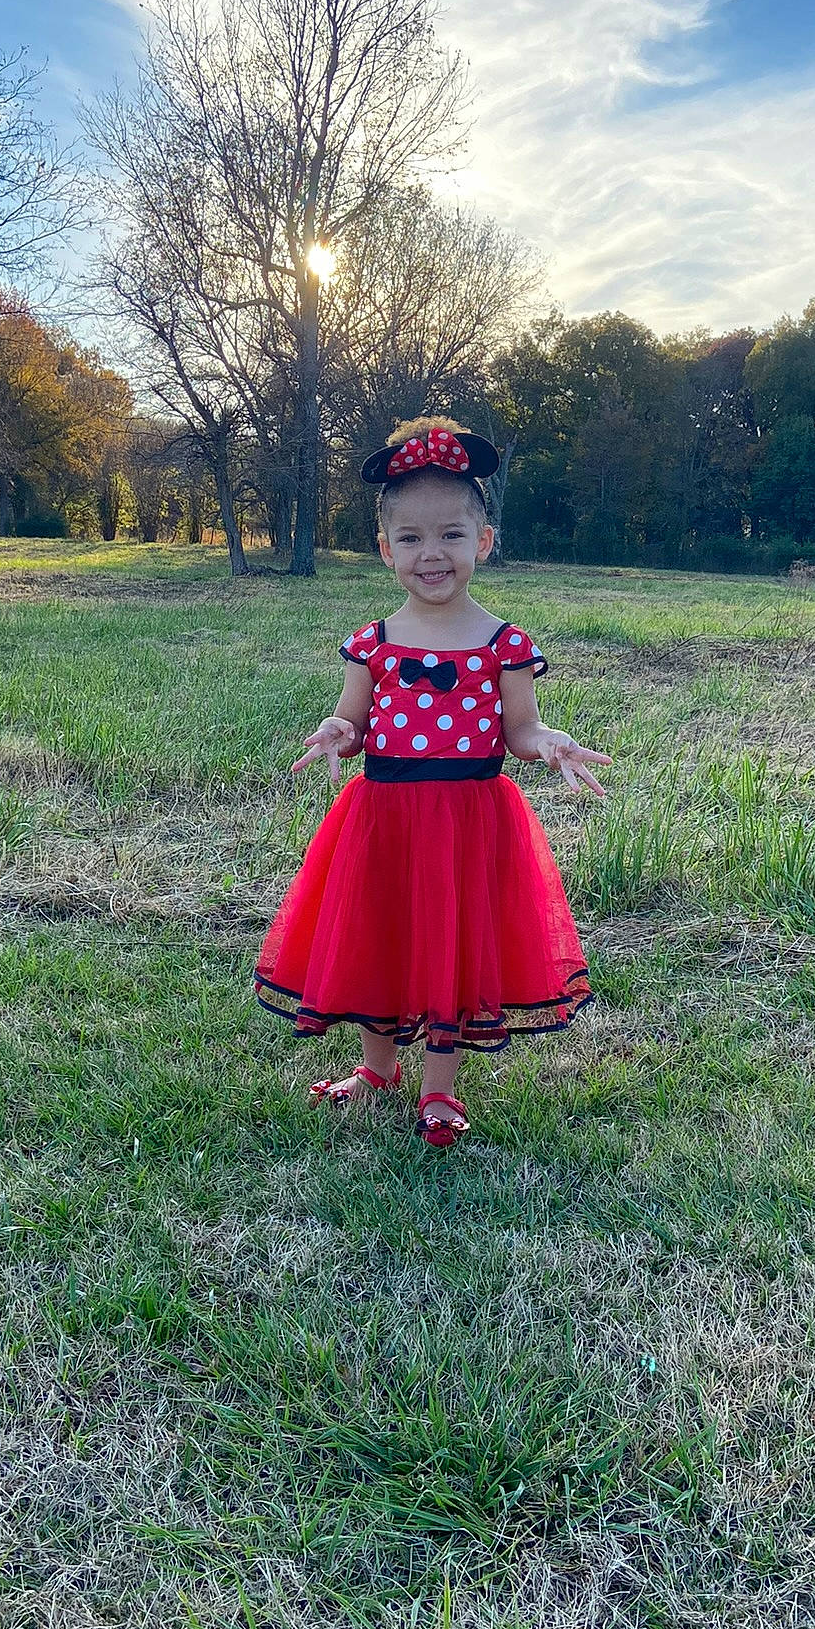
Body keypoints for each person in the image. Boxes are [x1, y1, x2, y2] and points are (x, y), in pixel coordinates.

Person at [254, 418, 609, 1147]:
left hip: (469, 819)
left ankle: (439, 1090)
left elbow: (519, 730)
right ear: (386, 550)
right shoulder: (373, 642)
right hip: (382, 817)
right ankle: (377, 1067)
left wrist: (549, 743)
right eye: (410, 538)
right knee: (378, 936)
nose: (431, 553)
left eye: (451, 534)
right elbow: (352, 722)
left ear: (483, 541)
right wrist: (335, 732)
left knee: (452, 944)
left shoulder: (504, 644)